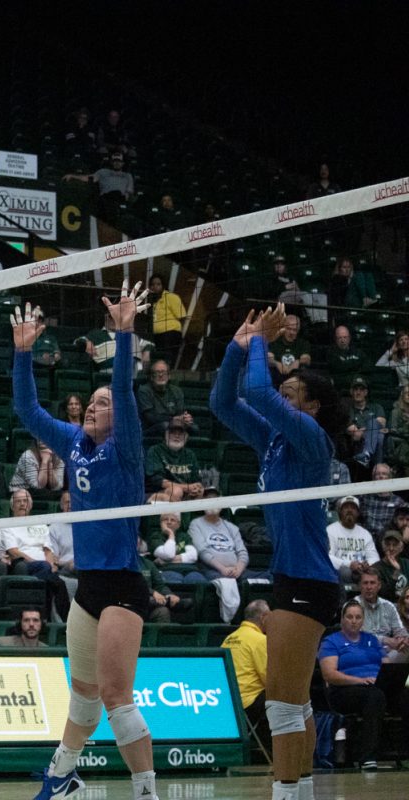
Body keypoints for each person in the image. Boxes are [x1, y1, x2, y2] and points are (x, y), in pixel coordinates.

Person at [12, 285, 160, 800]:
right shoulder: (75, 443)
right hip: (88, 587)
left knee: (118, 695)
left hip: (123, 584)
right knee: (83, 696)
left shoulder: (126, 448)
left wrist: (123, 336)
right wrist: (24, 353)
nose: (95, 407)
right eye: (90, 403)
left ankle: (145, 789)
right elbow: (28, 411)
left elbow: (121, 390)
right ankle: (62, 773)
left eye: (104, 403)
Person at [210, 302, 345, 800]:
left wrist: (263, 343)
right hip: (292, 576)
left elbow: (256, 391)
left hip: (308, 581)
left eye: (291, 395)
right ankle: (303, 792)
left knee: (283, 706)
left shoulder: (312, 439)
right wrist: (236, 347)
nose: (279, 402)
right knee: (298, 706)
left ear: (309, 407)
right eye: (281, 394)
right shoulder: (274, 440)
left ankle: (286, 793)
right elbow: (224, 403)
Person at [317, 600, 387, 770]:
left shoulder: (371, 640)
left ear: (363, 620)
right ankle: (367, 757)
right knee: (374, 696)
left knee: (404, 696)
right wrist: (360, 681)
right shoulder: (331, 642)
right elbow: (329, 674)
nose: (354, 621)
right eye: (349, 617)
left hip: (375, 686)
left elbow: (385, 662)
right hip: (344, 691)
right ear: (342, 619)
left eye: (358, 617)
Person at [189, 489, 260, 622]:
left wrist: (238, 569)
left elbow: (242, 552)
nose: (211, 503)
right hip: (211, 570)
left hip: (237, 571)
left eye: (215, 500)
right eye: (208, 499)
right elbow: (203, 551)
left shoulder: (231, 527)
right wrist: (222, 569)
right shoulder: (196, 524)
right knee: (225, 583)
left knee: (267, 578)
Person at [5, 489, 72, 620]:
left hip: (43, 568)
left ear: (30, 505)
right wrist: (41, 563)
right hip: (23, 564)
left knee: (56, 583)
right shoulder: (7, 525)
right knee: (55, 581)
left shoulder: (40, 524)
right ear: (12, 506)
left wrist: (51, 564)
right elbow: (13, 551)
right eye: (18, 501)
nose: (22, 504)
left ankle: (64, 621)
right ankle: (54, 618)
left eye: (25, 501)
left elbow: (48, 550)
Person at [222, 600, 271, 749]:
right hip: (248, 705)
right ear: (264, 617)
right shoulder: (261, 640)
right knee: (284, 696)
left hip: (227, 704)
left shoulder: (228, 639)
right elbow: (269, 678)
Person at [355, 568, 409, 661]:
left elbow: (400, 630)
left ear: (379, 586)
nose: (369, 587)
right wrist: (386, 640)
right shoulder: (352, 606)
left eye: (372, 583)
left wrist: (403, 640)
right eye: (365, 583)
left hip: (388, 652)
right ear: (360, 586)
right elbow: (357, 637)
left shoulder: (389, 606)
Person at [144, 419, 203, 502]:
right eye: (173, 432)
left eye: (180, 433)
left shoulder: (190, 454)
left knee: (201, 492)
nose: (177, 436)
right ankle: (172, 515)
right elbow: (157, 480)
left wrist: (197, 487)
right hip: (157, 493)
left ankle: (188, 515)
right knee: (176, 492)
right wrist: (186, 487)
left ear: (186, 437)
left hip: (185, 491)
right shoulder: (155, 450)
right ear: (166, 435)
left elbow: (197, 479)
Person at [327, 495, 378, 583]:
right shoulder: (330, 530)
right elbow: (328, 557)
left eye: (353, 508)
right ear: (340, 512)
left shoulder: (365, 533)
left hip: (362, 571)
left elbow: (375, 558)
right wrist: (349, 564)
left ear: (358, 513)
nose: (349, 510)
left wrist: (367, 564)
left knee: (374, 572)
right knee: (345, 572)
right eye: (346, 507)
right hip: (341, 571)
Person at [136, 359, 193, 436]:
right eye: (157, 372)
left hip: (174, 424)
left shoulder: (177, 391)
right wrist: (173, 419)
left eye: (164, 372)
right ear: (151, 377)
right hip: (152, 428)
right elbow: (150, 417)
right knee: (165, 426)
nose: (160, 375)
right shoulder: (144, 390)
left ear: (169, 376)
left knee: (193, 428)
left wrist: (185, 418)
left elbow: (180, 413)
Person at [375, 528, 409, 601]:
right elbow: (386, 594)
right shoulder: (376, 568)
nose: (391, 548)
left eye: (395, 545)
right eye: (388, 544)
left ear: (401, 548)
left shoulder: (407, 563)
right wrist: (396, 571)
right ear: (383, 547)